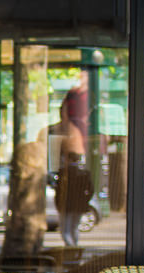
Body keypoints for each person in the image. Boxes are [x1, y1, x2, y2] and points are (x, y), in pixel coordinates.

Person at [51, 87, 92, 247]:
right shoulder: (76, 172)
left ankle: (73, 252)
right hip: (73, 206)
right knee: (71, 230)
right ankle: (73, 253)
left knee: (69, 230)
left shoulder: (75, 131)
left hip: (71, 206)